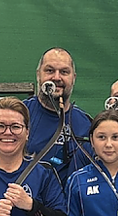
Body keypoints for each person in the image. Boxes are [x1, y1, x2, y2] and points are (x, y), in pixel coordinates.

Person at [25, 47, 92, 184]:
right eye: (50, 71)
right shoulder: (20, 114)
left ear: (73, 78)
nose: (56, 78)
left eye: (64, 72)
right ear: (38, 75)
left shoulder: (86, 124)